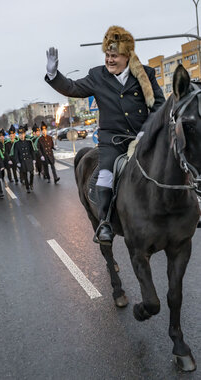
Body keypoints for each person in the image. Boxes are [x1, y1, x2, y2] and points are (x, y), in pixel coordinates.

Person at [45, 25, 165, 245]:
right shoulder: (97, 76)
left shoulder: (145, 74)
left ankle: (189, 203)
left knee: (172, 160)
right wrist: (53, 75)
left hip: (143, 138)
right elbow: (72, 87)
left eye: (114, 56)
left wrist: (145, 132)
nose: (109, 60)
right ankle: (105, 222)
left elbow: (159, 106)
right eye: (107, 55)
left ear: (127, 56)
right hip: (113, 141)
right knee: (106, 176)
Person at [13, 125, 36, 193]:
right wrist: (17, 162)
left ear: (24, 134)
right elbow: (16, 154)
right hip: (22, 161)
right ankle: (27, 187)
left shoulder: (29, 142)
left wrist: (34, 159)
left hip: (29, 160)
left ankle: (31, 183)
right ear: (18, 135)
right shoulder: (16, 144)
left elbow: (32, 151)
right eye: (20, 135)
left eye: (22, 134)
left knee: (32, 173)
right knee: (25, 175)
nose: (21, 136)